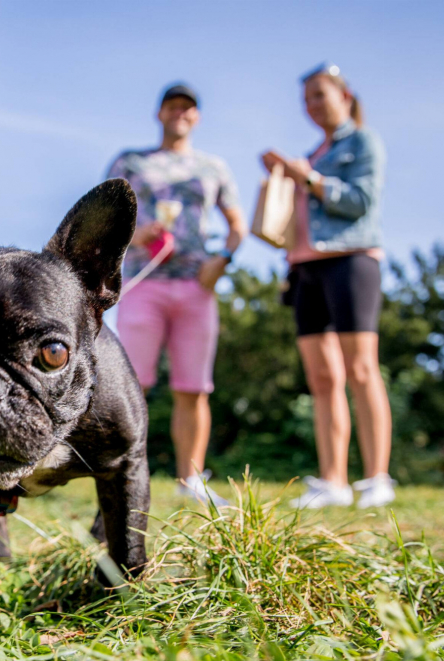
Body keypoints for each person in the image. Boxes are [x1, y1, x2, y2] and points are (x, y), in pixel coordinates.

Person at [260, 63, 394, 508]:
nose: (312, 105)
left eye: (320, 94)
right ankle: (333, 480)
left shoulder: (362, 142)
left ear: (345, 95)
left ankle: (376, 477)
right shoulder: (314, 152)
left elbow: (360, 202)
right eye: (306, 98)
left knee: (360, 369)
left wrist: (309, 179)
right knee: (321, 377)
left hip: (351, 263)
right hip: (306, 271)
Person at [108, 83, 247, 506]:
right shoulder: (131, 161)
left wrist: (222, 259)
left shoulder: (213, 167)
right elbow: (104, 219)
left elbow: (238, 225)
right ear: (160, 113)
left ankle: (192, 481)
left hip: (195, 286)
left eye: (188, 108)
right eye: (173, 106)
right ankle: (123, 474)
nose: (180, 113)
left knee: (193, 387)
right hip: (142, 281)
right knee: (132, 383)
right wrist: (134, 235)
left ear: (197, 117)